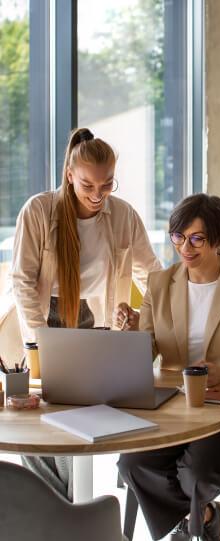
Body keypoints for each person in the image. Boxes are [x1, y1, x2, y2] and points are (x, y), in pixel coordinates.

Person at [116, 193, 220, 541]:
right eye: (178, 237)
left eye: (196, 239)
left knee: (198, 472)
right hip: (174, 404)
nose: (184, 248)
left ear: (218, 239)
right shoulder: (159, 284)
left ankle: (192, 518)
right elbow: (148, 350)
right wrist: (130, 335)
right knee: (132, 463)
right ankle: (204, 518)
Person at [11, 127, 161, 501]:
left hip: (96, 321)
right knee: (37, 421)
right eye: (87, 186)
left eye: (107, 184)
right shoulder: (39, 210)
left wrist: (142, 314)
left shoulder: (124, 215)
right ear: (70, 175)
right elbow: (22, 279)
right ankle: (61, 507)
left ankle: (68, 512)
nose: (98, 195)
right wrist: (40, 338)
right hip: (45, 319)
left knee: (82, 419)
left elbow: (155, 274)